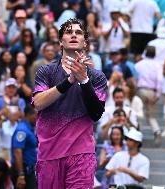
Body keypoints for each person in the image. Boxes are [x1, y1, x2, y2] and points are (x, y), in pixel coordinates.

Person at [32, 18, 107, 188]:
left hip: (81, 153)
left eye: (78, 32)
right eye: (68, 32)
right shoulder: (46, 71)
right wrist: (69, 81)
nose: (73, 35)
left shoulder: (97, 77)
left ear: (85, 43)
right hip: (49, 153)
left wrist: (84, 80)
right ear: (60, 42)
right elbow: (38, 103)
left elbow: (96, 113)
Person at [135, 46, 163, 144]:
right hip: (152, 92)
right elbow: (160, 80)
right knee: (150, 115)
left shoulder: (139, 64)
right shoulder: (158, 65)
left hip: (140, 90)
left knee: (138, 113)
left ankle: (137, 134)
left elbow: (135, 78)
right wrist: (158, 95)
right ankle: (157, 131)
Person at [11, 105, 37, 189]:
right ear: (29, 115)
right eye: (36, 115)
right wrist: (21, 175)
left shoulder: (29, 128)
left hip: (29, 170)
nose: (38, 118)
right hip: (23, 171)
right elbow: (17, 152)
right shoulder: (22, 130)